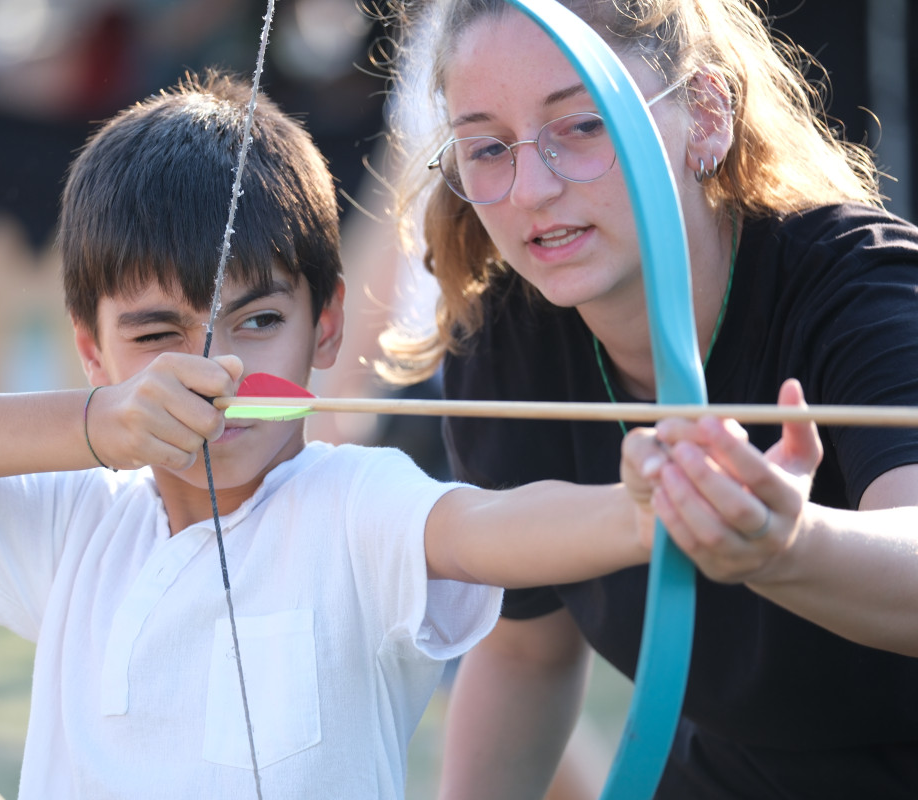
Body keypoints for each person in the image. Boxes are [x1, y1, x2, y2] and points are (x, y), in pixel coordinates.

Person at [0, 70, 658, 799]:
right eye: (158, 337)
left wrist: (642, 510)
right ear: (92, 350)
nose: (215, 373)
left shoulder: (355, 507)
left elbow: (491, 529)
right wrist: (96, 425)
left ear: (327, 326)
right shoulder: (77, 525)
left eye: (257, 318)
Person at [381, 0, 918, 798]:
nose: (530, 188)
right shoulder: (504, 337)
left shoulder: (856, 283)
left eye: (583, 126)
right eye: (488, 148)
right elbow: (527, 651)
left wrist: (788, 545)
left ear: (704, 116)